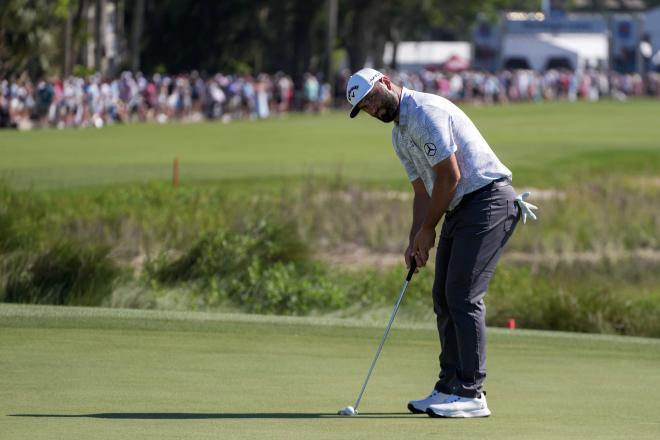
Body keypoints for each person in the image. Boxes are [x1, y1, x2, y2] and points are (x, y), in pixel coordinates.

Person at [346, 68, 536, 418]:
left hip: (488, 201)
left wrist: (429, 229)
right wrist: (415, 237)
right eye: (365, 108)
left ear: (386, 82)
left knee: (463, 295)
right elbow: (422, 192)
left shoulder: (425, 112)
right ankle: (449, 385)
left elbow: (450, 177)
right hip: (460, 208)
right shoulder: (399, 135)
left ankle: (471, 392)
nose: (372, 109)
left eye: (372, 99)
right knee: (443, 297)